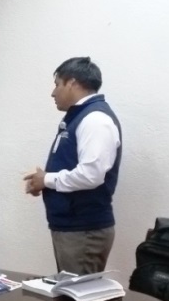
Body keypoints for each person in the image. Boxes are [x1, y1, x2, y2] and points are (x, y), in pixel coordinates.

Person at [24, 57, 122, 275]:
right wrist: (43, 182)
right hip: (73, 228)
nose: (53, 93)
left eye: (57, 84)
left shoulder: (95, 119)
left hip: (83, 230)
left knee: (79, 296)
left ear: (72, 83)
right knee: (69, 294)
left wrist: (46, 179)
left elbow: (91, 175)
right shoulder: (79, 116)